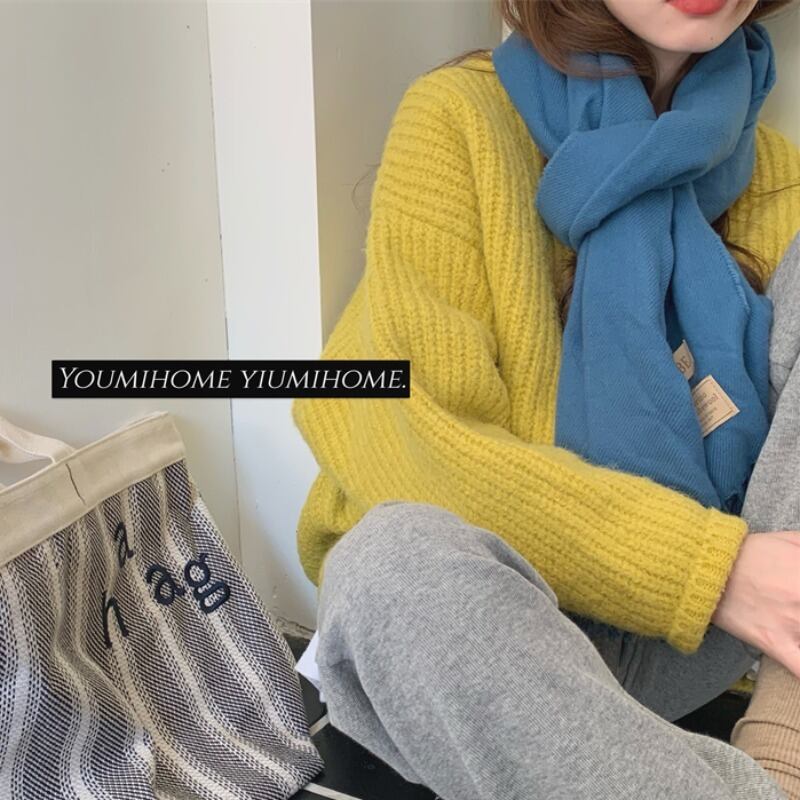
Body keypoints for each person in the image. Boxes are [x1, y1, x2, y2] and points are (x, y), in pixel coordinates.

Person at [290, 0, 800, 796]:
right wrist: (715, 569)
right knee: (385, 563)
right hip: (493, 639)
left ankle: (780, 751)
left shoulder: (777, 175)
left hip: (698, 647)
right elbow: (416, 451)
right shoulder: (460, 119)